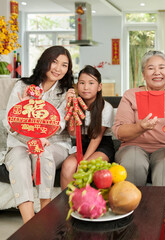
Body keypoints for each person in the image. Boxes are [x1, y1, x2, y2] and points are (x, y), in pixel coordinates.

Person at [3, 46, 74, 223]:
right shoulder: (22, 85)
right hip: (20, 143)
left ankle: (44, 216)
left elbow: (61, 123)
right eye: (54, 62)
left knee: (43, 153)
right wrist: (31, 137)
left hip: (54, 144)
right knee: (19, 161)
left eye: (64, 65)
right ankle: (29, 224)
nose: (58, 68)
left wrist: (43, 137)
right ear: (45, 61)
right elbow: (9, 120)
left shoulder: (66, 92)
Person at [112, 50, 165, 186]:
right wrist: (140, 127)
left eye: (162, 68)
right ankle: (132, 206)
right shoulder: (131, 95)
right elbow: (119, 132)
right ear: (143, 74)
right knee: (134, 164)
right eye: (151, 68)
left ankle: (161, 207)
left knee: (164, 172)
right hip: (133, 147)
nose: (157, 72)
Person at [60, 65, 115, 190]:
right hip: (81, 143)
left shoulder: (106, 108)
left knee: (85, 167)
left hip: (101, 145)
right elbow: (73, 133)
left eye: (91, 83)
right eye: (82, 83)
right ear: (76, 85)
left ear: (99, 87)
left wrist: (83, 161)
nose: (86, 87)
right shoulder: (75, 103)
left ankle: (82, 203)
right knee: (68, 166)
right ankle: (65, 205)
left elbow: (97, 137)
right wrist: (70, 106)